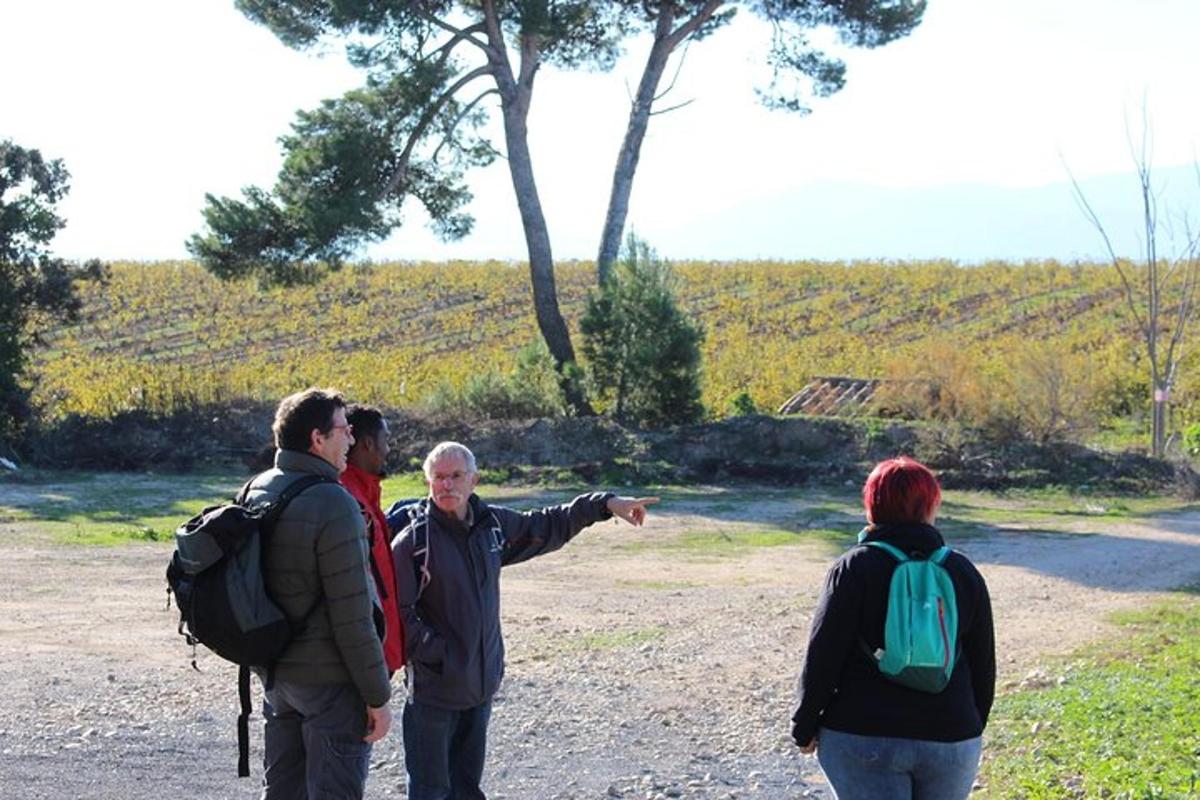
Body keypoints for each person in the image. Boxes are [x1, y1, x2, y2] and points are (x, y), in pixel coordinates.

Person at [389, 441, 658, 800]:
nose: (446, 485)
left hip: (480, 688)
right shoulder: (413, 541)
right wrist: (441, 656)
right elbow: (397, 616)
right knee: (430, 792)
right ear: (428, 482)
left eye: (455, 476)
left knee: (467, 789)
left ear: (474, 480)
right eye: (438, 477)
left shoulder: (491, 526)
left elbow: (547, 524)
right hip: (434, 695)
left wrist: (606, 504)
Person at [790, 456, 995, 800]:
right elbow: (983, 665)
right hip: (952, 736)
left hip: (862, 732)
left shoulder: (854, 567)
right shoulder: (963, 571)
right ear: (931, 505)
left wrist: (804, 725)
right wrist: (968, 726)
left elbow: (824, 654)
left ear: (872, 505)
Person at [245, 387, 392, 800]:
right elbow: (354, 617)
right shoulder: (335, 503)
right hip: (330, 685)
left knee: (282, 793)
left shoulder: (258, 488)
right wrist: (377, 697)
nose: (350, 439)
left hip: (277, 677)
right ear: (317, 439)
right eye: (344, 430)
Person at [340, 404, 405, 675]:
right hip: (365, 655)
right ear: (368, 443)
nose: (388, 449)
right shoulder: (346, 499)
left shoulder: (364, 493)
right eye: (385, 440)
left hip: (375, 649)